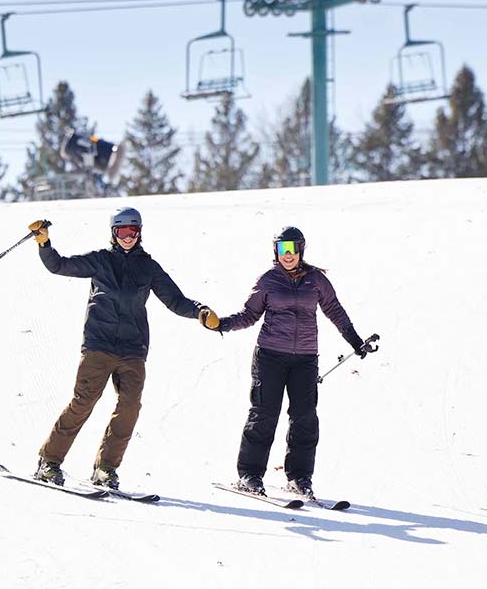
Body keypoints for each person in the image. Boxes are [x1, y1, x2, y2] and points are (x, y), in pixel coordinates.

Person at [28, 207, 218, 489]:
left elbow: (175, 300)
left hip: (132, 350)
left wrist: (200, 311)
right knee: (83, 402)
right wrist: (45, 244)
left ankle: (106, 468)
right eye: (122, 232)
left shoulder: (148, 267)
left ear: (139, 232)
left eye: (132, 231)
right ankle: (49, 462)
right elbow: (59, 265)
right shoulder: (101, 261)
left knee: (129, 407)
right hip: (98, 346)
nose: (127, 237)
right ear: (113, 234)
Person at [204, 225, 374, 499]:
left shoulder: (316, 280)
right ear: (276, 251)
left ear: (301, 249)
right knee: (264, 414)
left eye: (293, 248)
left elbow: (334, 310)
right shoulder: (268, 281)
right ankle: (250, 475)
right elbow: (249, 314)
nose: (288, 254)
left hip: (305, 359)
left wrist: (355, 340)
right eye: (283, 249)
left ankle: (300, 478)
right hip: (270, 356)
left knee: (305, 418)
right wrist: (221, 324)